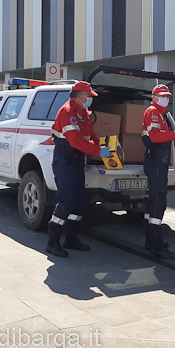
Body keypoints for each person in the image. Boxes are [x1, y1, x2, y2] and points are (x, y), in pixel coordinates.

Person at [47, 81, 113, 257]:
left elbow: (90, 135)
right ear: (79, 95)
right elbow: (75, 140)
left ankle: (71, 238)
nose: (90, 98)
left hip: (76, 162)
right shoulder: (68, 112)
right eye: (89, 95)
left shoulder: (82, 112)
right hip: (64, 163)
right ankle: (52, 242)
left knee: (78, 202)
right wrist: (98, 151)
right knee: (66, 201)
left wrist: (104, 144)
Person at [141, 84, 175, 260]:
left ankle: (151, 240)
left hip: (158, 161)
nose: (166, 99)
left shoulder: (161, 113)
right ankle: (156, 245)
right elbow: (155, 137)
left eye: (168, 96)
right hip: (155, 160)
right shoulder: (154, 112)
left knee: (155, 200)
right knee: (158, 201)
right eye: (163, 96)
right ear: (154, 97)